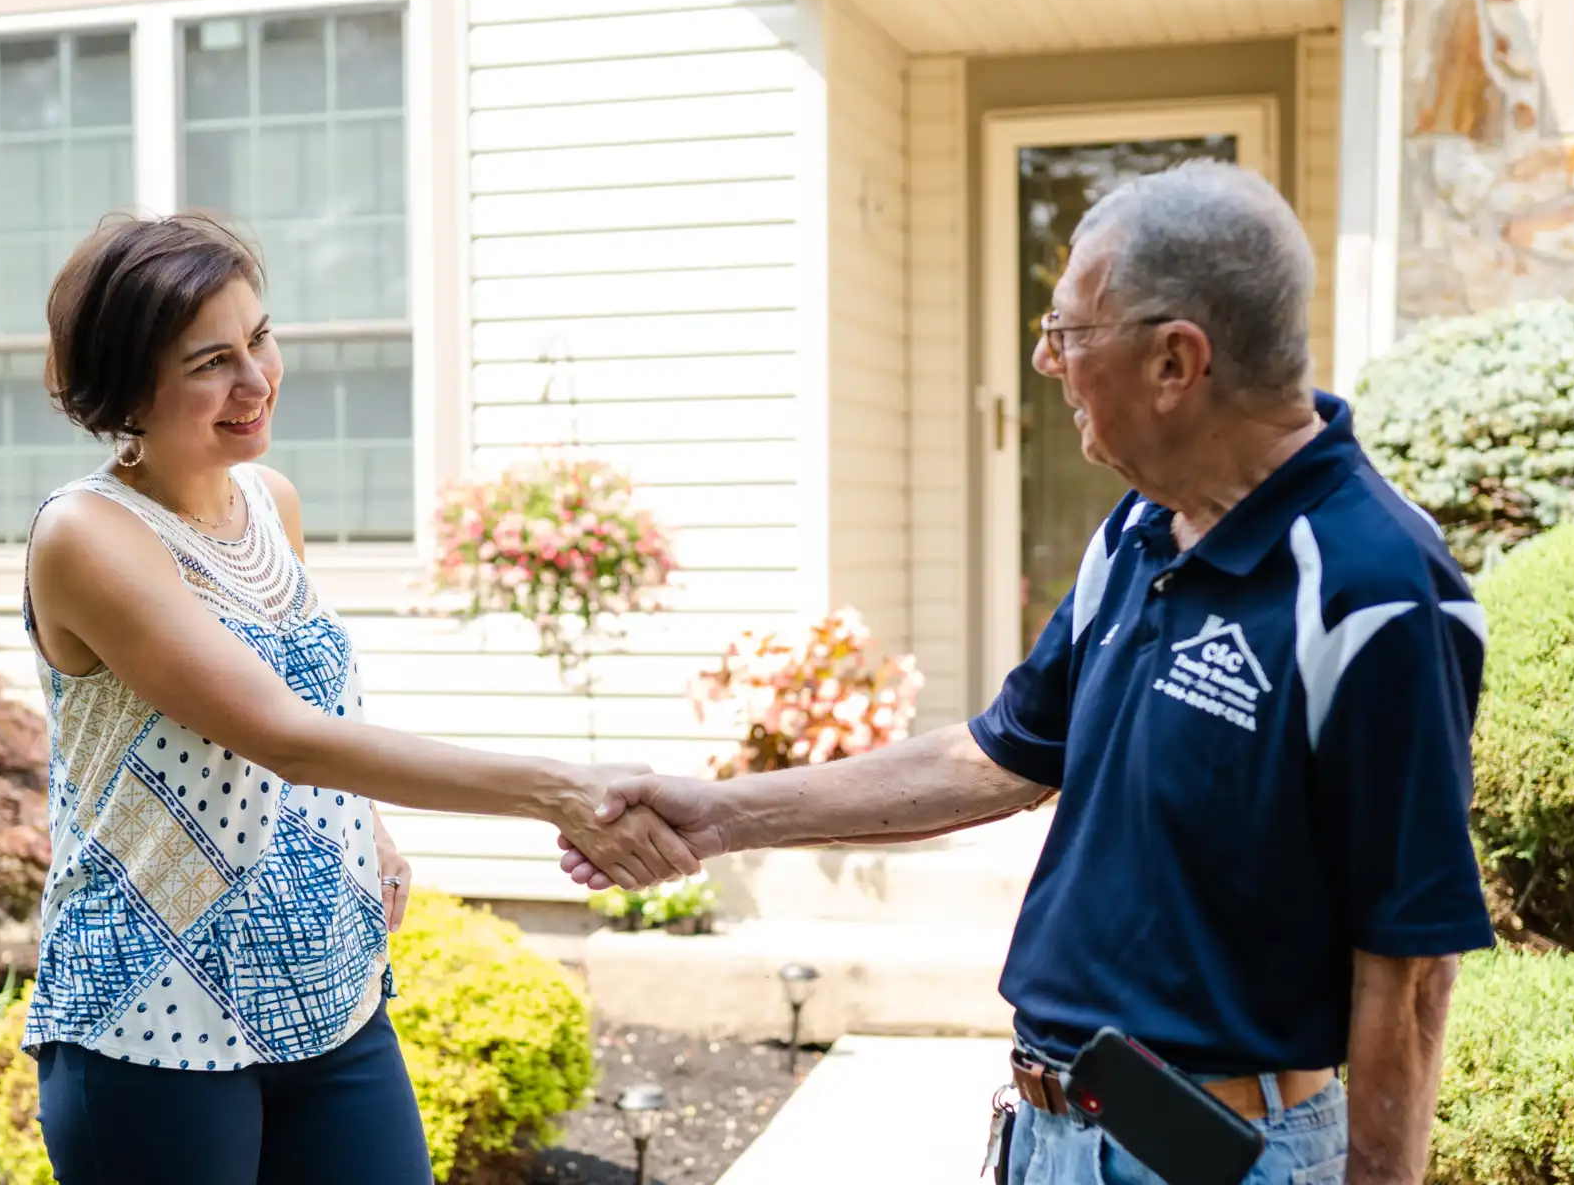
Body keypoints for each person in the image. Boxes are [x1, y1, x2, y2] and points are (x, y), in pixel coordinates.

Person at [564, 162, 1494, 1185]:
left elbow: (1407, 968)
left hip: (1220, 1160)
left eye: (1066, 334)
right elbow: (996, 756)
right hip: (1057, 1135)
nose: (1046, 364)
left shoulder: (1374, 588)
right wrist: (720, 815)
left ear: (1174, 361)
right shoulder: (1140, 529)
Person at [20, 212, 697, 1185]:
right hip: (154, 1024)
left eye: (259, 336)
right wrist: (558, 788)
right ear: (128, 386)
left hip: (329, 992)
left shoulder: (269, 500)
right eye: (211, 360)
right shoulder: (87, 535)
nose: (256, 381)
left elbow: (307, 698)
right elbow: (284, 736)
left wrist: (366, 824)